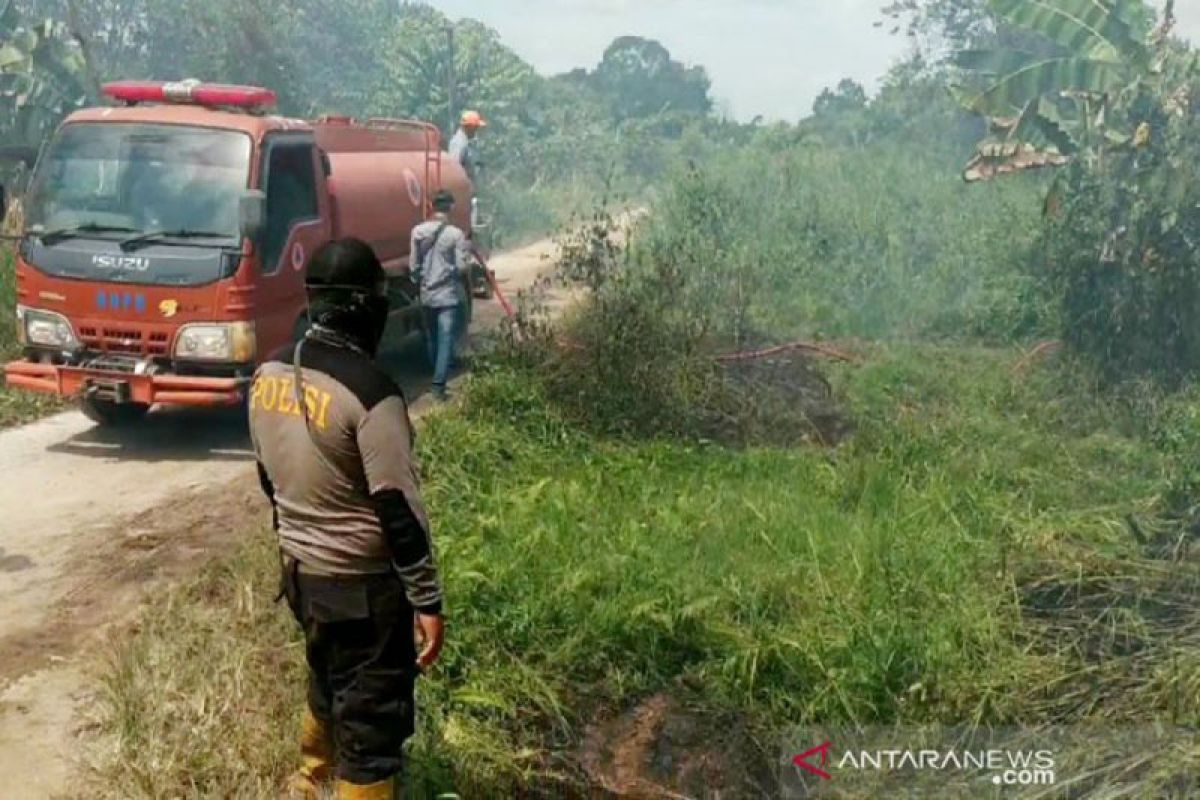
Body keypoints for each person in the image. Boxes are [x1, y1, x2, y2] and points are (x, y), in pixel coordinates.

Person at [248, 238, 445, 800]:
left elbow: (269, 477)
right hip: (363, 590)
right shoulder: (372, 394)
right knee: (372, 722)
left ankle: (309, 776)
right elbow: (397, 510)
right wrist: (428, 601)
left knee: (327, 675)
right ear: (367, 307)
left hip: (301, 575)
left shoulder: (268, 375)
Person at [410, 189, 470, 401]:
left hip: (427, 294)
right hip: (447, 296)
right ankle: (438, 386)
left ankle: (434, 373)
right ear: (450, 207)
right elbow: (462, 267)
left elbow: (413, 266)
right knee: (445, 339)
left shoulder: (417, 232)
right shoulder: (455, 234)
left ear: (432, 207)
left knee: (432, 337)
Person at [447, 110, 486, 184]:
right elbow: (455, 169)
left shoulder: (470, 142)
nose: (476, 130)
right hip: (462, 187)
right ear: (469, 127)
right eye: (476, 127)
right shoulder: (458, 144)